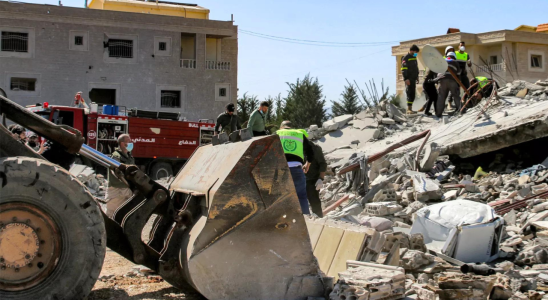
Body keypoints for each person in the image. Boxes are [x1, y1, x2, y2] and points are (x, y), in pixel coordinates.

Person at [277, 121, 315, 215]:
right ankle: (306, 219)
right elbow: (310, 151)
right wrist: (307, 164)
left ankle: (283, 220)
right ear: (291, 127)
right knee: (301, 196)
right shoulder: (299, 134)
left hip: (281, 170)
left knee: (281, 197)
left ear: (281, 127)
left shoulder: (277, 134)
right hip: (297, 169)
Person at [436, 52, 462, 118]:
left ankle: (438, 113)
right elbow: (458, 73)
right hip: (452, 80)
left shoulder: (442, 61)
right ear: (454, 57)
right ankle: (461, 110)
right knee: (456, 95)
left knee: (441, 97)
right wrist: (458, 83)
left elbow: (437, 71)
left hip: (442, 80)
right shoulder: (455, 62)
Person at [305, 143, 327, 217]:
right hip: (298, 179)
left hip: (312, 180)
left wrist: (321, 178)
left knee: (314, 202)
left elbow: (322, 164)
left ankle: (318, 218)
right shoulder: (292, 148)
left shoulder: (314, 148)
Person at [401, 44, 420, 114]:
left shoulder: (414, 57)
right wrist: (406, 78)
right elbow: (403, 69)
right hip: (408, 79)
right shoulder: (406, 58)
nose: (416, 54)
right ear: (412, 51)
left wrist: (417, 76)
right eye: (415, 52)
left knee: (413, 94)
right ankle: (408, 109)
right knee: (409, 93)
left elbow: (416, 67)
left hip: (413, 78)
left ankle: (411, 108)